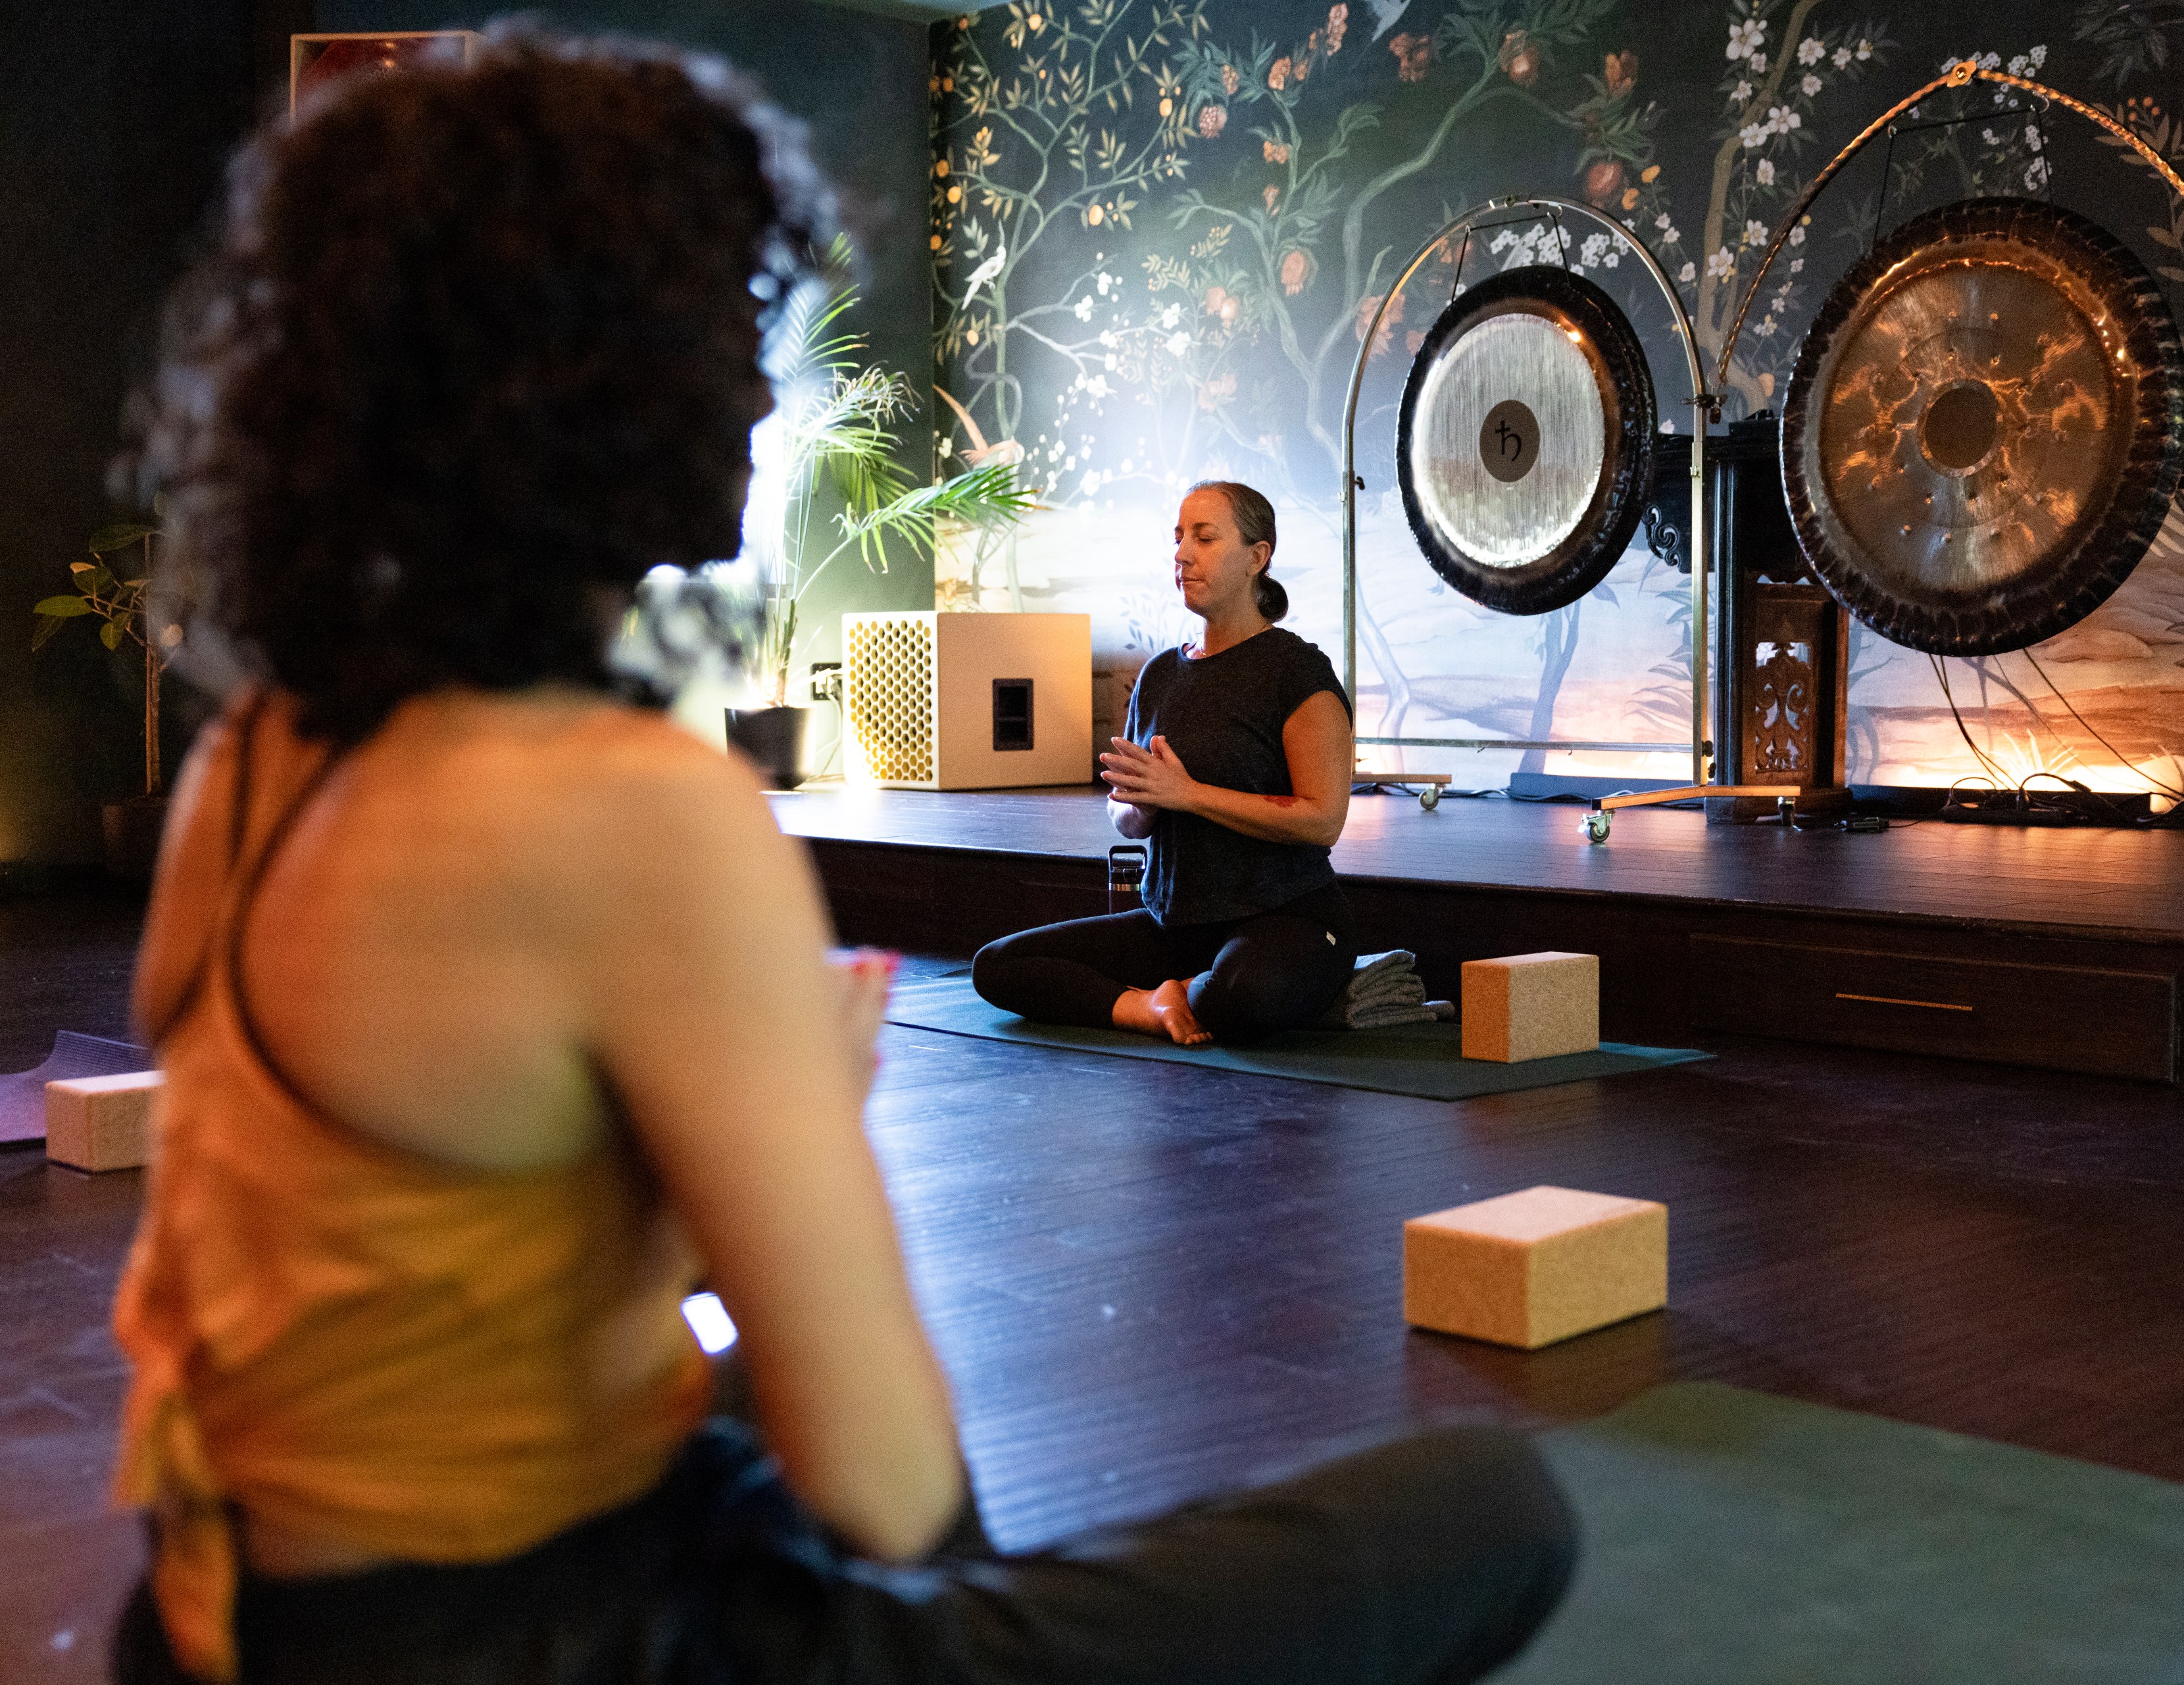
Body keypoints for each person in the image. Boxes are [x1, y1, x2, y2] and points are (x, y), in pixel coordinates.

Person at [106, 31, 1576, 1685]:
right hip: (551, 1644)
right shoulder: (633, 809)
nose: (762, 385)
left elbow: (413, 1244)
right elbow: (889, 1487)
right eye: (739, 325)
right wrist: (795, 1105)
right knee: (1493, 1496)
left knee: (732, 1417)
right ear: (599, 374)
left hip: (210, 1621)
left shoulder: (255, 761)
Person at [972, 484, 1359, 1045]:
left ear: (1257, 556)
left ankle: (1194, 993)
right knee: (999, 965)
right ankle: (1151, 1005)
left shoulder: (1295, 672)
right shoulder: (1159, 674)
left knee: (1238, 996)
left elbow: (1323, 819)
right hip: (1174, 921)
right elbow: (1127, 814)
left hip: (1288, 916)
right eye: (1178, 537)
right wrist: (1141, 807)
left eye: (1204, 538)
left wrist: (1187, 794)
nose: (1182, 553)